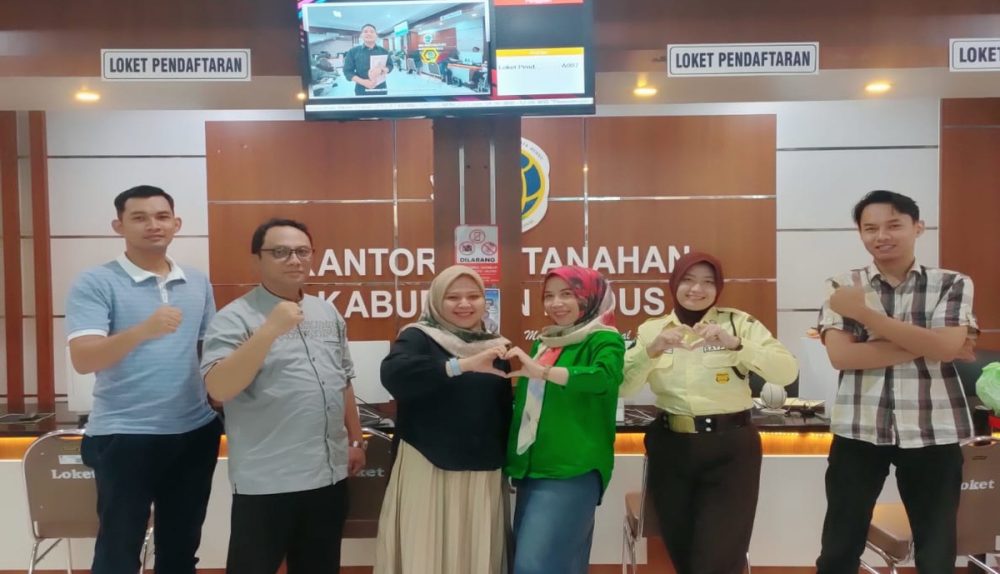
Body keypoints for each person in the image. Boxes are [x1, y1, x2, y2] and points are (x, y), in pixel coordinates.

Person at [815, 190, 978, 574]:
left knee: (936, 552)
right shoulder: (844, 285)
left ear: (917, 227)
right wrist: (931, 344)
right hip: (859, 428)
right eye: (870, 228)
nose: (881, 236)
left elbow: (946, 347)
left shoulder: (951, 283)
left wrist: (868, 319)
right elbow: (843, 357)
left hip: (933, 429)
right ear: (860, 233)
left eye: (893, 225)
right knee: (839, 547)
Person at [67, 185, 222, 574]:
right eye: (139, 217)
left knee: (181, 551)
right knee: (118, 553)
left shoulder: (197, 282)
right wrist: (143, 330)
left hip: (194, 432)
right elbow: (83, 358)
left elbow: (208, 352)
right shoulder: (96, 282)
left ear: (176, 223)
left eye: (162, 216)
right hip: (124, 434)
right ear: (118, 225)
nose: (153, 225)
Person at [200, 218, 365, 574]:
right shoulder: (234, 318)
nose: (294, 259)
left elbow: (343, 379)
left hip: (328, 476)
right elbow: (218, 388)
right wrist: (270, 330)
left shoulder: (326, 311)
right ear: (256, 260)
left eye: (302, 251)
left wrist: (355, 439)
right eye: (280, 252)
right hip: (268, 481)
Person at [620, 252, 798, 574]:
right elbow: (622, 387)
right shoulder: (652, 329)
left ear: (718, 287)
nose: (697, 289)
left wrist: (736, 344)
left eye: (707, 282)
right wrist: (651, 351)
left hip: (730, 448)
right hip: (671, 448)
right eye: (688, 280)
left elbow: (786, 371)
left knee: (717, 559)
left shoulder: (738, 323)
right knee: (683, 554)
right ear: (674, 284)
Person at [374, 265, 512, 574]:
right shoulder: (418, 336)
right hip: (429, 465)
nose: (464, 304)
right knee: (426, 554)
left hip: (482, 471)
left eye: (473, 296)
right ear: (437, 300)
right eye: (453, 297)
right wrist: (460, 365)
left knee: (475, 554)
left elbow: (502, 408)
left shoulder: (496, 345)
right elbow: (394, 375)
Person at [504, 266, 625, 574]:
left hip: (572, 468)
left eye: (567, 294)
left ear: (589, 297)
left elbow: (603, 378)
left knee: (533, 566)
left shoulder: (604, 339)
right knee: (563, 564)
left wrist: (544, 372)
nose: (556, 303)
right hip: (533, 466)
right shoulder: (547, 341)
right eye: (549, 296)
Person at [343, 23, 393, 96]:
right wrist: (363, 82)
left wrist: (382, 70)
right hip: (361, 90)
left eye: (372, 32)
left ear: (376, 35)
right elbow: (347, 72)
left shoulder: (384, 51)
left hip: (381, 89)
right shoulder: (353, 51)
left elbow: (390, 65)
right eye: (365, 31)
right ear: (361, 35)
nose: (369, 33)